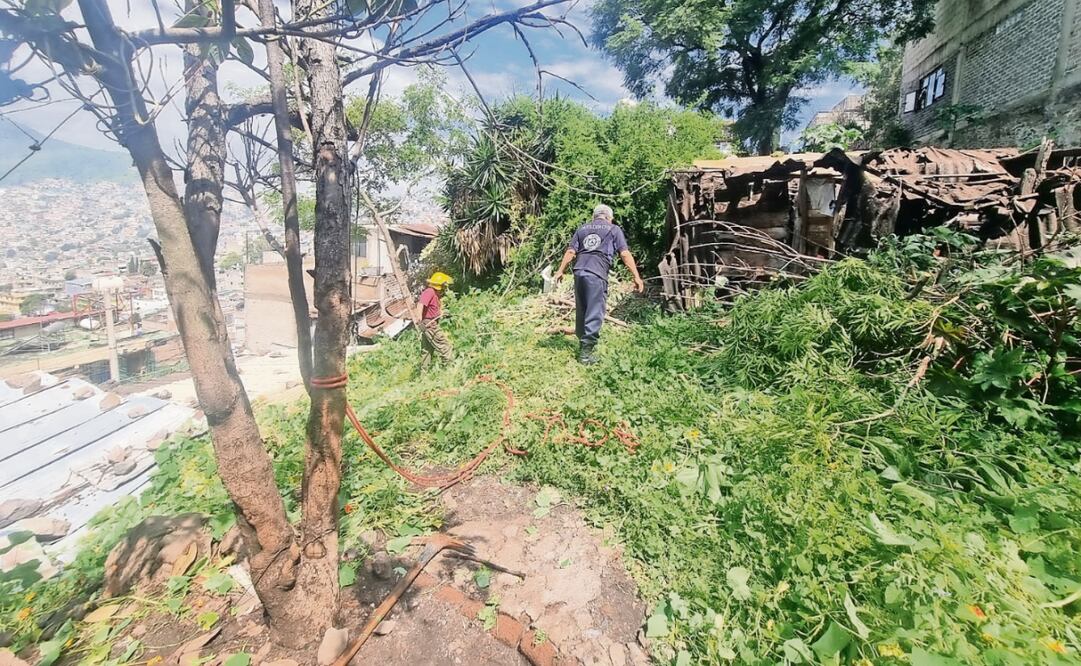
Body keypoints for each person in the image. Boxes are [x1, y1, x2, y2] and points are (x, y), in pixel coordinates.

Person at [554, 204, 644, 364]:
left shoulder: (582, 229)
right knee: (595, 311)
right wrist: (636, 276)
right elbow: (624, 253)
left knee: (582, 309)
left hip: (579, 272)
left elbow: (570, 252)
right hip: (596, 273)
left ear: (594, 217)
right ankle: (585, 355)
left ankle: (582, 344)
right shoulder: (613, 229)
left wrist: (560, 270)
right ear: (610, 217)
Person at [417, 271, 454, 370]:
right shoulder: (429, 292)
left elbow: (432, 309)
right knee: (445, 346)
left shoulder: (435, 294)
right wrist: (419, 320)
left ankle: (424, 374)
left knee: (427, 350)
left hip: (429, 323)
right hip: (429, 324)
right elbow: (421, 304)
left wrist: (441, 313)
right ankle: (449, 370)